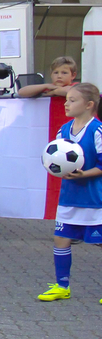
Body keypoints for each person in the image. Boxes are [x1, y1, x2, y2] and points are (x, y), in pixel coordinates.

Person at [38, 83, 102, 302]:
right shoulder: (63, 130)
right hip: (69, 198)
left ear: (89, 105)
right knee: (61, 239)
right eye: (67, 99)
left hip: (95, 199)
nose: (66, 103)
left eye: (72, 100)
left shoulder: (97, 130)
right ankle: (62, 285)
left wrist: (84, 174)